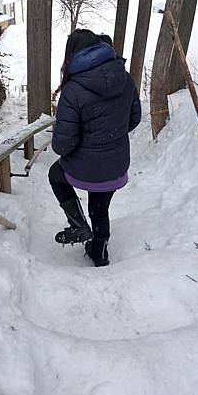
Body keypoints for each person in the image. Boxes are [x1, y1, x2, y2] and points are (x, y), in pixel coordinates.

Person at [49, 28, 141, 267]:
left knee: (55, 175)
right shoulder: (124, 76)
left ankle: (78, 225)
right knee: (99, 204)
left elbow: (63, 144)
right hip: (117, 162)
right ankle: (99, 251)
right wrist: (109, 136)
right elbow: (134, 119)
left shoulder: (73, 89)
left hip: (86, 166)